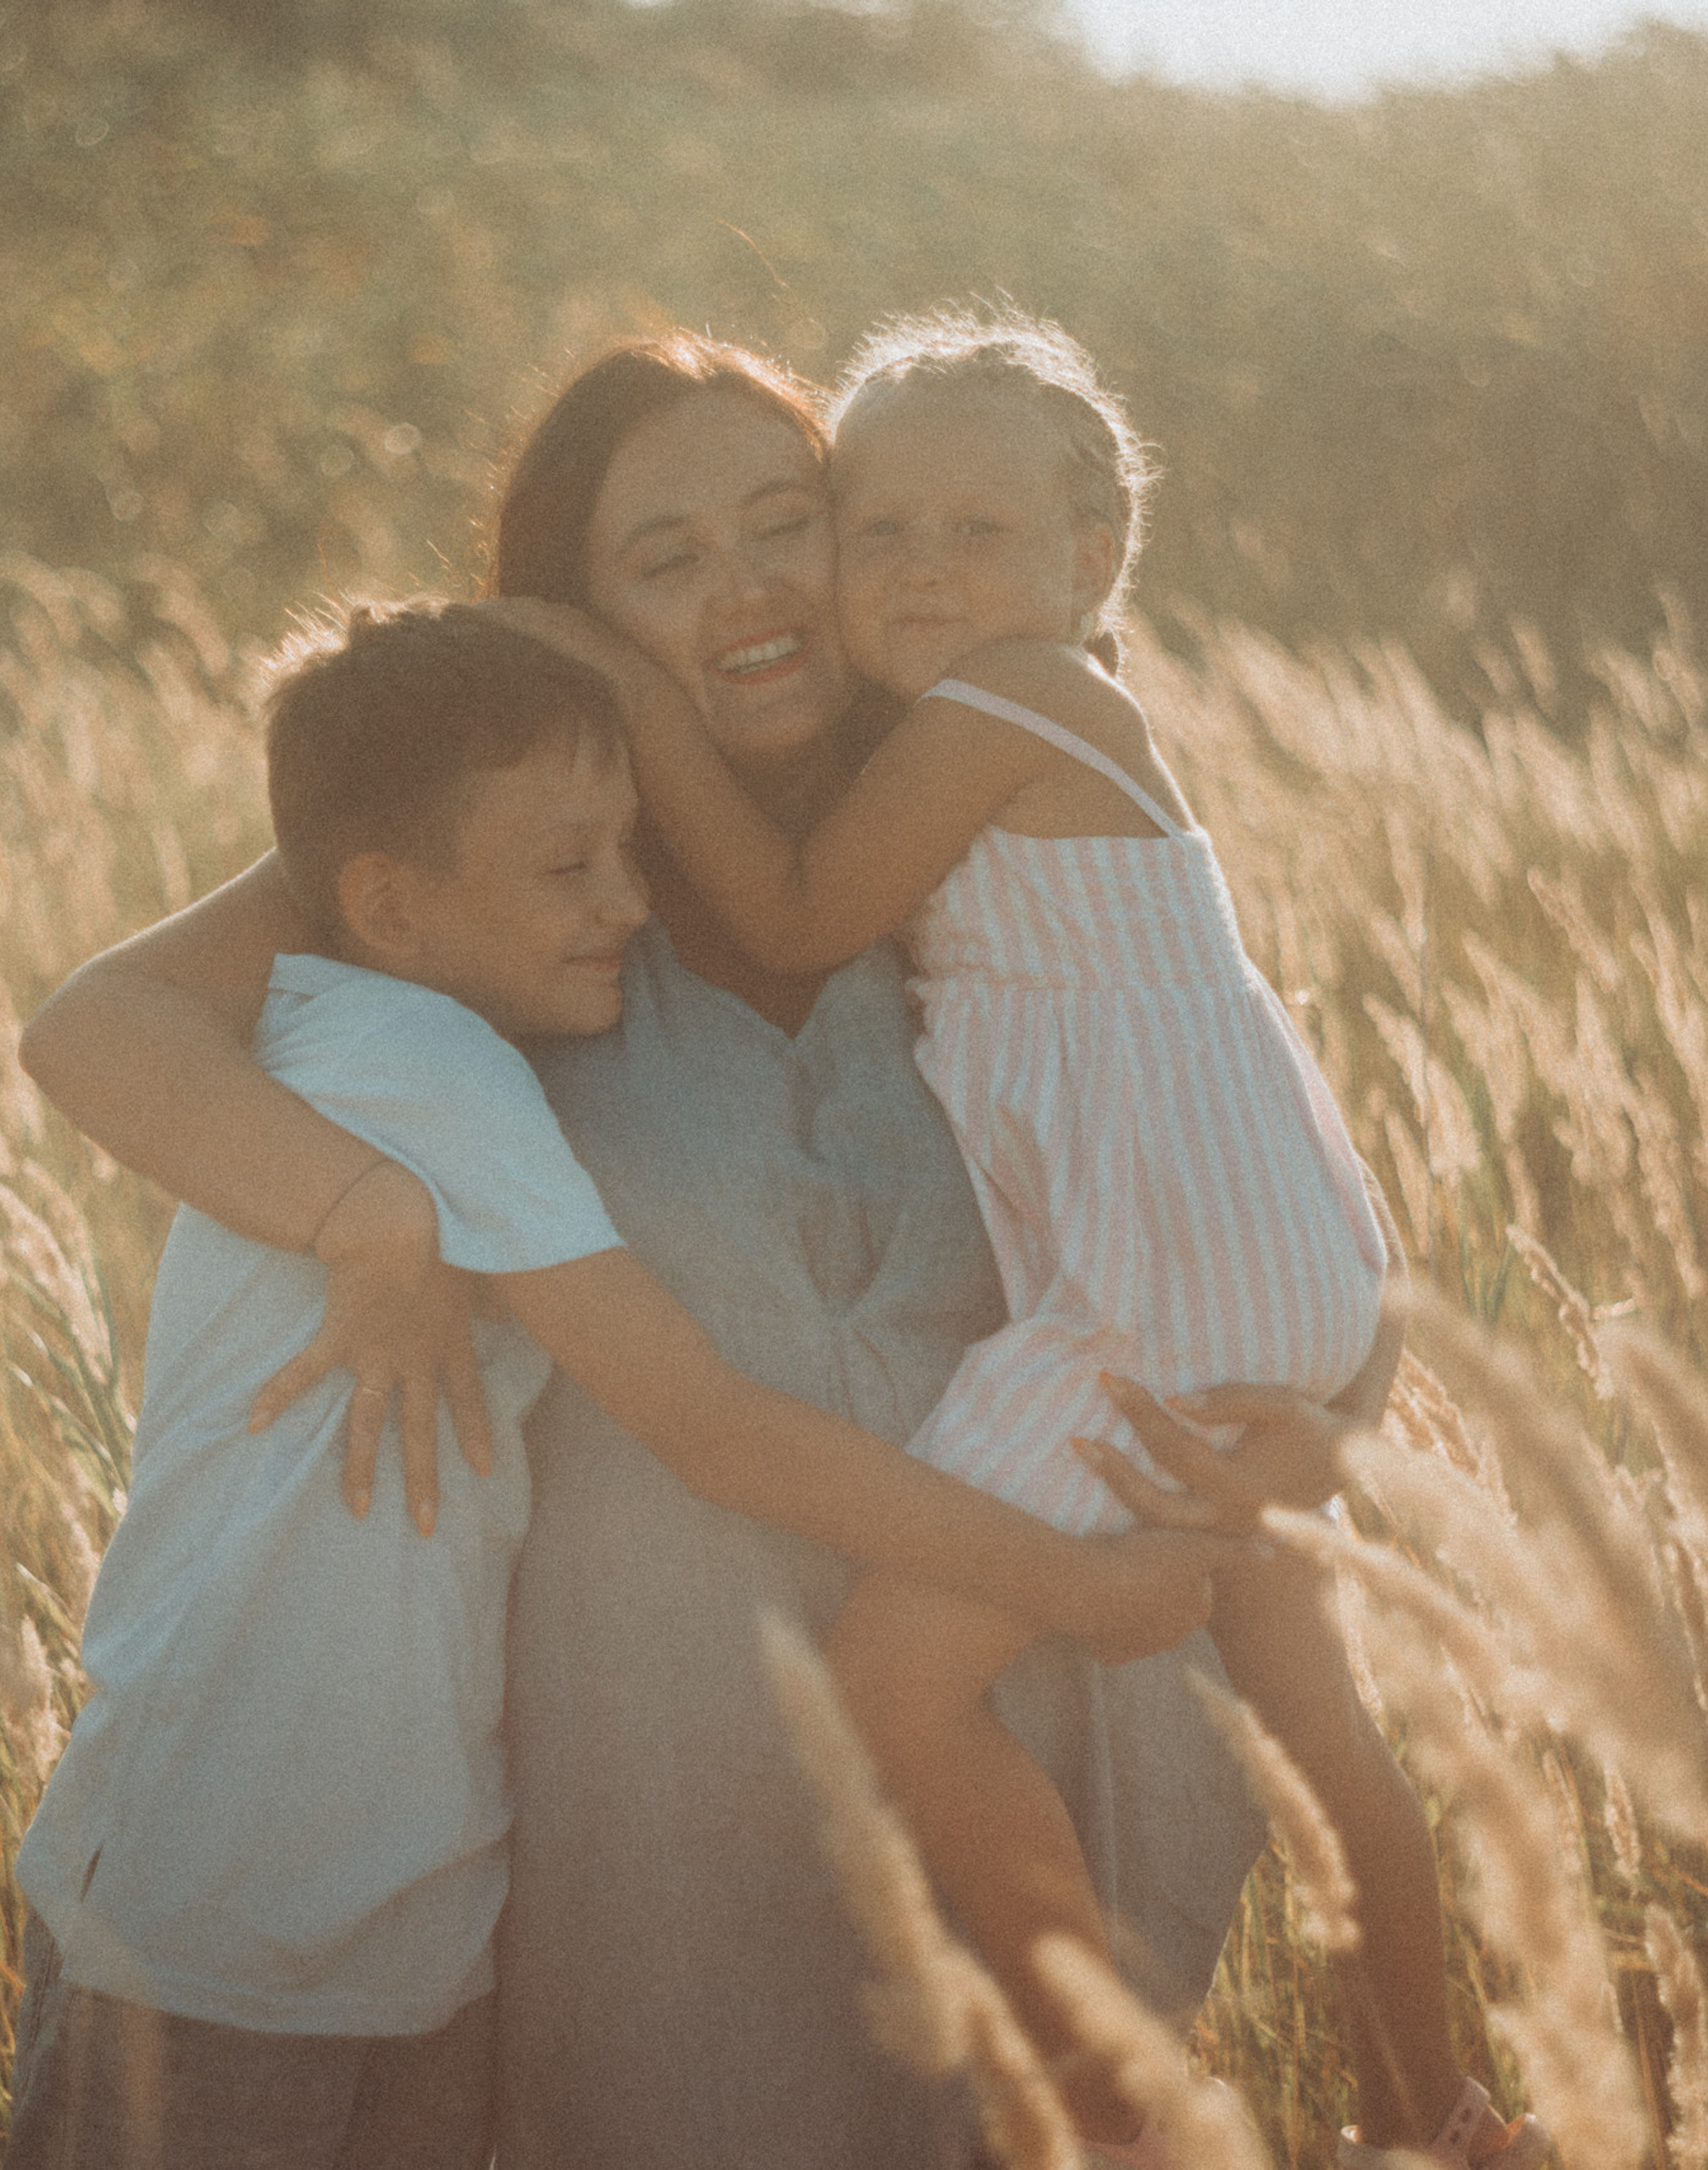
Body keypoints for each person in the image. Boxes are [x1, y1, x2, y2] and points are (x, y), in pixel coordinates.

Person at [15, 331, 1355, 2169]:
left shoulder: (982, 822)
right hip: (656, 1811)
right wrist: (367, 1213)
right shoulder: (524, 869)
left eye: (781, 521)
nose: (745, 590)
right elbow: (104, 1026)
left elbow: (1267, 1175)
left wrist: (1333, 1429)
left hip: (1012, 1741)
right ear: (567, 622)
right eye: (662, 560)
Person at [551, 306, 1544, 2170]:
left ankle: (1111, 2103)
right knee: (1316, 1719)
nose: (916, 565)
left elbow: (780, 910)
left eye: (974, 532)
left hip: (1150, 1291)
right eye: (878, 529)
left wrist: (617, 687)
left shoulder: (1014, 708)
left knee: (890, 1687)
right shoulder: (1043, 732)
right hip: (1254, 1255)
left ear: (1091, 562)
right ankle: (1439, 2113)